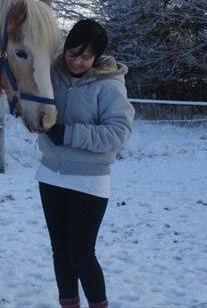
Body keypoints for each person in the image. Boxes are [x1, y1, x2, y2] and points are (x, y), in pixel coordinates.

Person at [36, 19, 135, 308]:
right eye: (73, 53)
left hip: (89, 178)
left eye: (86, 56)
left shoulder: (108, 84)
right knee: (60, 251)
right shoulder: (51, 72)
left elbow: (119, 133)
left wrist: (70, 133)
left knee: (81, 251)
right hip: (51, 173)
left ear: (97, 57)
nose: (78, 61)